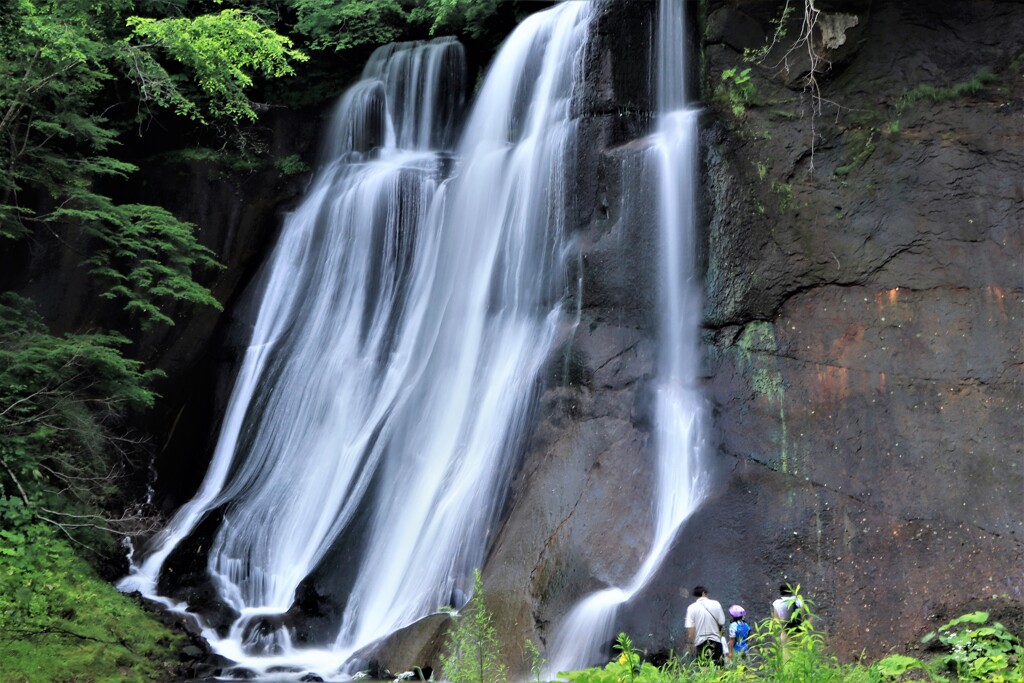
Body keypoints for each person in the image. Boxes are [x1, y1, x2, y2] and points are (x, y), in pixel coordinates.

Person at [684, 585, 727, 667]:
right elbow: (721, 622)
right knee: (718, 669)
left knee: (704, 670)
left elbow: (691, 631)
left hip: (700, 643)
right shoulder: (716, 604)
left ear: (695, 596)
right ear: (705, 593)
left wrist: (690, 645)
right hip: (715, 641)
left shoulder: (691, 608)